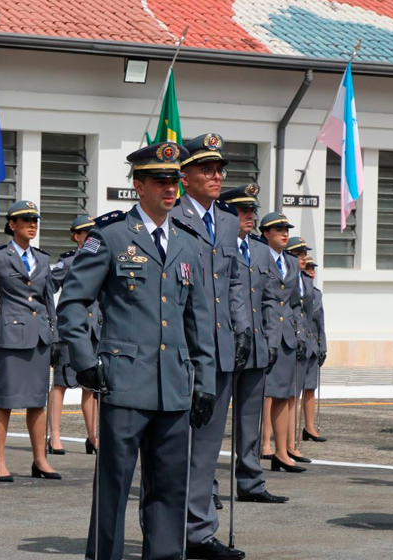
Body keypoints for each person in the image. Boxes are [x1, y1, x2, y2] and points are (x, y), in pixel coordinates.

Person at [58, 141, 215, 560]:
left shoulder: (189, 243)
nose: (170, 189)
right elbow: (72, 304)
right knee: (113, 486)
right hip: (124, 383)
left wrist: (207, 384)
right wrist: (85, 362)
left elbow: (199, 320)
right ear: (138, 186)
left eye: (175, 181)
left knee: (168, 488)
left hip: (174, 386)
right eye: (160, 181)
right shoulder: (110, 236)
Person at [169, 133, 250, 560]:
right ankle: (164, 531)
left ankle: (198, 532)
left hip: (218, 350)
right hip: (179, 350)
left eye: (220, 170)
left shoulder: (229, 221)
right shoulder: (172, 214)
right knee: (170, 446)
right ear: (185, 176)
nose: (217, 176)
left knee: (205, 448)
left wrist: (241, 329)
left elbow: (234, 280)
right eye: (207, 169)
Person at [0, 200, 61, 481]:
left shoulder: (44, 259)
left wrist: (55, 337)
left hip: (38, 338)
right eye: (26, 221)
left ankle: (40, 460)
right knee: (5, 400)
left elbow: (48, 300)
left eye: (35, 220)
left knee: (38, 401)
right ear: (12, 225)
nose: (32, 225)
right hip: (11, 337)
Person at [219, 185, 288, 505]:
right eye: (242, 210)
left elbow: (272, 299)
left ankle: (250, 482)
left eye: (252, 211)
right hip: (224, 346)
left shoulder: (260, 251)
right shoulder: (217, 246)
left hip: (257, 348)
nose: (250, 216)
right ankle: (205, 488)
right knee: (212, 424)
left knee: (250, 421)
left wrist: (272, 340)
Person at [258, 214, 306, 473]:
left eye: (286, 229)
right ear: (265, 234)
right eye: (278, 230)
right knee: (267, 394)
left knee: (284, 394)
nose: (284, 234)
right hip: (266, 331)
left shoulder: (290, 261)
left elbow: (294, 303)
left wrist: (297, 332)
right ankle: (265, 446)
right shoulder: (258, 255)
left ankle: (281, 451)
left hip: (286, 335)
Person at [48, 215, 100, 455]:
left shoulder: (102, 258)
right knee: (61, 384)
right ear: (76, 237)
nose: (91, 237)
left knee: (92, 387)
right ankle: (55, 436)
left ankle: (93, 436)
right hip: (71, 330)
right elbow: (48, 287)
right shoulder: (68, 261)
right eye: (86, 233)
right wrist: (51, 322)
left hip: (96, 330)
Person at [285, 237, 315, 463]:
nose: (304, 258)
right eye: (299, 254)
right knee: (280, 396)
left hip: (302, 339)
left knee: (293, 395)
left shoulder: (304, 279)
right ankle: (273, 445)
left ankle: (291, 444)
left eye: (305, 253)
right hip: (287, 337)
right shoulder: (288, 277)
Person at [302, 259, 327, 442]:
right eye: (308, 268)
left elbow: (320, 324)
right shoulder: (295, 289)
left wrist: (323, 347)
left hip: (312, 345)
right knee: (291, 392)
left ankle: (309, 427)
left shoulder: (317, 295)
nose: (311, 272)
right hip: (297, 344)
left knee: (310, 388)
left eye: (313, 269)